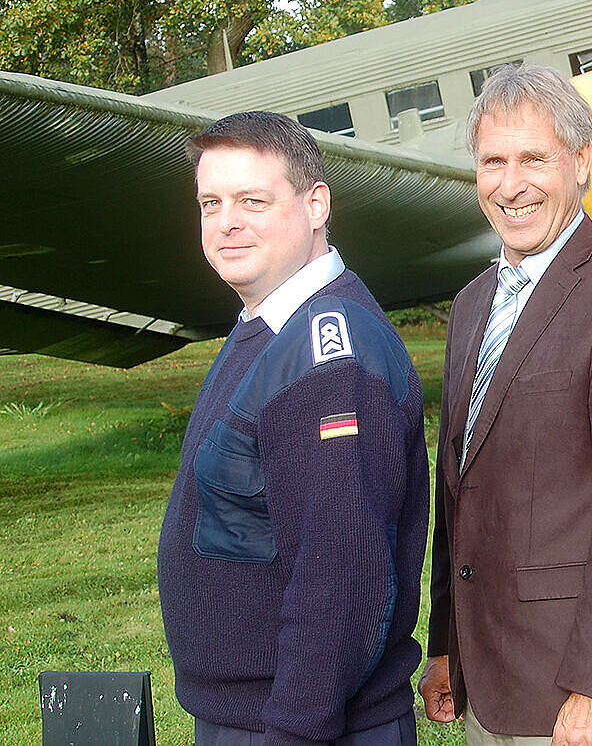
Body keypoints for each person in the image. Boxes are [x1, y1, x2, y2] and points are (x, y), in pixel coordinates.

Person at [416, 63, 592, 746]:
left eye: (534, 159)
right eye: (493, 162)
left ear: (581, 161)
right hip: (491, 685)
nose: (511, 185)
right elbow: (459, 492)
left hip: (584, 698)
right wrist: (446, 644)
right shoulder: (472, 305)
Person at [157, 111, 430, 745]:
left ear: (315, 205)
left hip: (300, 725)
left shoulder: (329, 354)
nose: (227, 222)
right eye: (211, 203)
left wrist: (294, 732)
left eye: (253, 200)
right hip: (252, 716)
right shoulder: (267, 328)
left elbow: (342, 577)